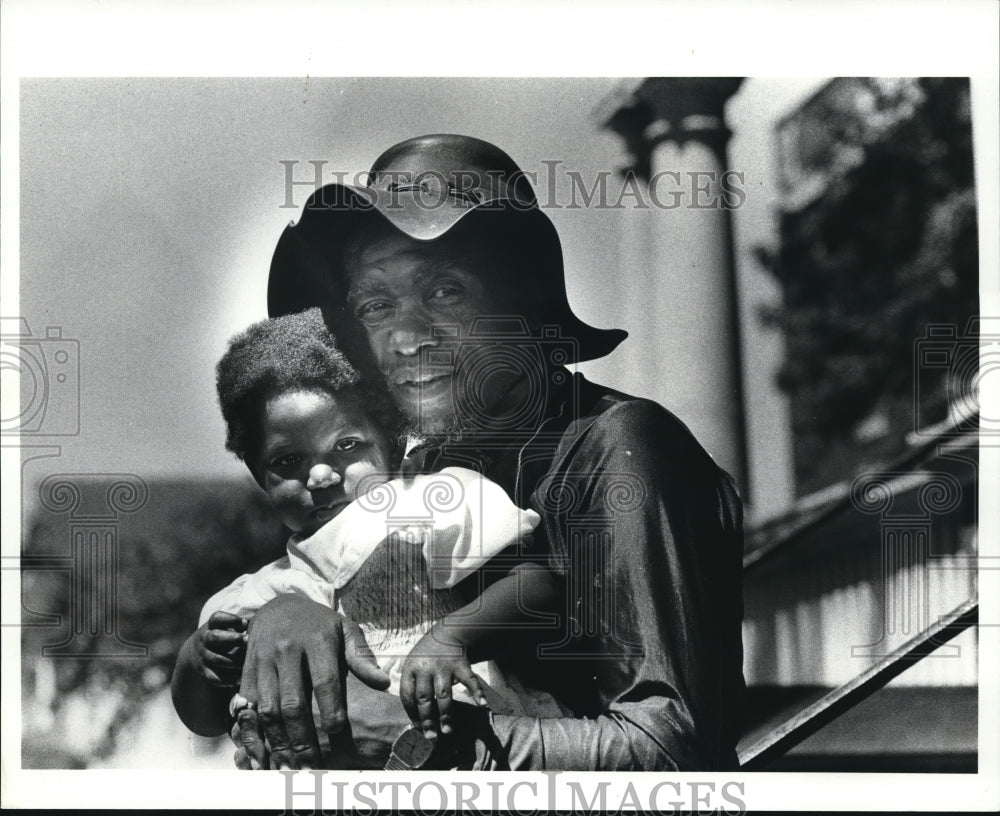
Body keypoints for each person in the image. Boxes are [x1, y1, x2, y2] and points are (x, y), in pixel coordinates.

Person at [232, 134, 745, 771]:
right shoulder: (427, 470)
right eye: (375, 304)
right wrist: (289, 615)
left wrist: (415, 738)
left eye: (446, 291)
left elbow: (672, 750)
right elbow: (339, 593)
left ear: (522, 305)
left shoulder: (618, 447)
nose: (407, 336)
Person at [170, 308, 564, 761]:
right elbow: (201, 719)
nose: (319, 475)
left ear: (392, 442)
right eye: (286, 462)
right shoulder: (268, 591)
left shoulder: (426, 503)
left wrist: (452, 637)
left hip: (464, 753)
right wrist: (196, 661)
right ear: (261, 479)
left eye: (347, 446)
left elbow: (538, 586)